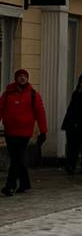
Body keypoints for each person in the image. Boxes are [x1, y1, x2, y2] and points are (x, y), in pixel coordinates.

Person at [0, 68, 48, 196]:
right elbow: (0, 109)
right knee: (17, 158)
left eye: (24, 76)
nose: (22, 78)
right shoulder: (8, 94)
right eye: (20, 76)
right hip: (10, 131)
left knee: (16, 158)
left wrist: (43, 131)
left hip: (24, 132)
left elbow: (40, 113)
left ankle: (10, 185)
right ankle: (25, 183)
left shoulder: (33, 95)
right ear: (16, 78)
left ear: (27, 79)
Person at [61, 71, 82, 174]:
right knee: (72, 146)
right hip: (72, 124)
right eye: (81, 82)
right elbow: (71, 109)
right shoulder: (76, 93)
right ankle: (70, 165)